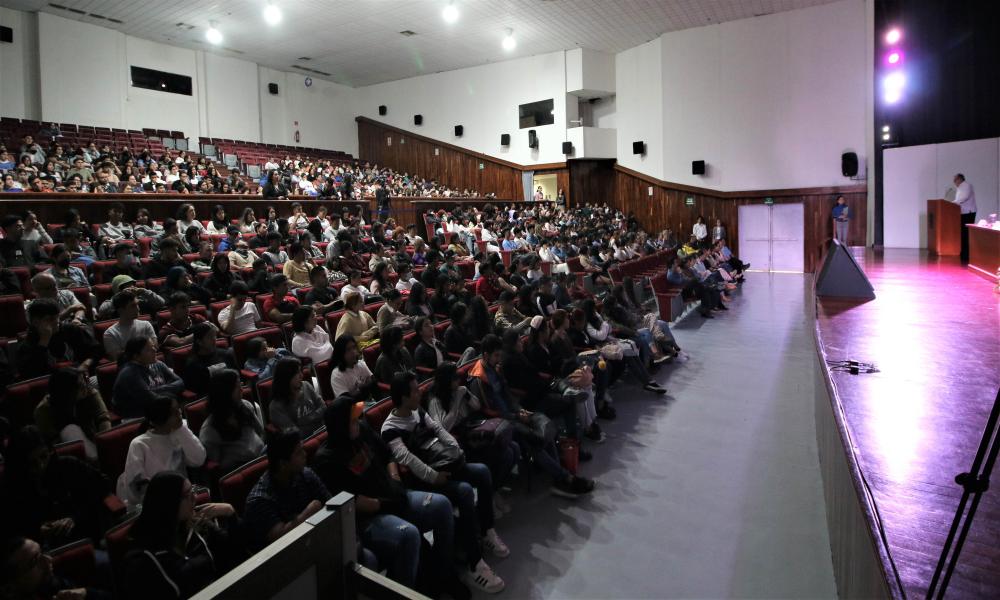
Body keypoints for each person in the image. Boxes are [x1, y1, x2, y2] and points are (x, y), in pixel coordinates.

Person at [313, 397, 469, 597]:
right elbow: (353, 502)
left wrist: (395, 480)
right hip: (370, 516)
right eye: (352, 421)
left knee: (442, 506)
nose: (357, 422)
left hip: (392, 494)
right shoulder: (326, 459)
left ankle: (443, 574)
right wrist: (386, 503)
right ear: (340, 426)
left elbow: (388, 455)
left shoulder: (362, 429)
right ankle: (407, 593)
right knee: (409, 534)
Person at [381, 371, 507, 594]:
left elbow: (438, 429)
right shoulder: (389, 428)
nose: (420, 393)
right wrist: (433, 477)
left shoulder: (417, 410)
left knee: (482, 472)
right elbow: (408, 459)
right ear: (402, 397)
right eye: (414, 391)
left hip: (444, 462)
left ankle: (486, 530)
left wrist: (456, 449)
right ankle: (474, 563)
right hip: (422, 480)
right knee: (465, 491)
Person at [468, 334, 596, 499]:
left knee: (546, 429)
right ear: (486, 355)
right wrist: (516, 415)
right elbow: (489, 410)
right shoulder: (478, 379)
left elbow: (507, 395)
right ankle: (565, 478)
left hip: (514, 414)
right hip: (500, 423)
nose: (499, 359)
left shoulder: (495, 369)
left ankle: (559, 474)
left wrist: (520, 410)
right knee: (533, 441)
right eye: (496, 355)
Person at [123, 472, 242, 600]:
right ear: (169, 503)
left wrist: (230, 513)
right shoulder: (142, 559)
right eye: (188, 495)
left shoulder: (196, 524)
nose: (195, 498)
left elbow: (236, 552)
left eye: (193, 491)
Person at [0, 425, 113, 547]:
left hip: (82, 539)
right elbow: (9, 527)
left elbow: (102, 485)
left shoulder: (67, 465)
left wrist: (73, 519)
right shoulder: (11, 485)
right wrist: (37, 530)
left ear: (50, 451)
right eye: (32, 463)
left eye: (44, 457)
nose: (41, 466)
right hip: (37, 551)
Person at [428, 361, 520, 497]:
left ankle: (496, 486)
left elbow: (477, 406)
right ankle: (492, 491)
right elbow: (443, 428)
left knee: (514, 447)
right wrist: (457, 402)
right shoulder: (436, 400)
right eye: (455, 378)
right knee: (506, 453)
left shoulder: (458, 391)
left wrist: (467, 394)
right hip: (461, 441)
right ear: (446, 381)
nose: (458, 381)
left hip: (474, 428)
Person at [244, 430, 330, 549]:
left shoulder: (305, 474)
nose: (305, 454)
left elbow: (332, 504)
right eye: (299, 453)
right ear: (283, 464)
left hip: (316, 542)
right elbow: (280, 542)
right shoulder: (259, 499)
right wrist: (309, 512)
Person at [117, 395, 207, 507]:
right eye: (174, 412)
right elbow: (137, 488)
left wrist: (181, 429)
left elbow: (199, 459)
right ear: (161, 418)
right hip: (156, 502)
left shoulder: (181, 430)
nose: (179, 413)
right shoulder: (139, 444)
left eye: (178, 409)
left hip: (182, 495)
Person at [0, 535, 112, 600]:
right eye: (34, 562)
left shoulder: (51, 584)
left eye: (42, 552)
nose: (48, 560)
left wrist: (86, 594)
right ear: (9, 590)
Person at [34, 367, 111, 460]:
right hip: (66, 454)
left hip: (92, 442)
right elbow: (53, 443)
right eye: (80, 385)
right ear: (67, 391)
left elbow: (103, 418)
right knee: (70, 430)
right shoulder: (43, 410)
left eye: (84, 381)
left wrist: (105, 445)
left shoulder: (88, 392)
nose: (85, 386)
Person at [200, 369, 266, 474]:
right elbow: (216, 465)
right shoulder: (210, 429)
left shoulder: (246, 406)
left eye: (240, 384)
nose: (241, 389)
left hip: (261, 457)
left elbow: (261, 432)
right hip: (241, 470)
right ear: (224, 392)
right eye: (236, 387)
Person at [112, 337, 185, 419]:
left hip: (160, 410)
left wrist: (156, 390)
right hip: (138, 417)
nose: (155, 350)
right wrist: (168, 392)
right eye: (148, 349)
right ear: (136, 356)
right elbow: (150, 398)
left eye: (153, 346)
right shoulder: (129, 373)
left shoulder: (158, 364)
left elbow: (180, 382)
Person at [268, 357, 325, 438]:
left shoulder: (306, 385)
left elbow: (323, 407)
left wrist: (306, 420)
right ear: (286, 377)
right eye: (296, 373)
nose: (301, 375)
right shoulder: (276, 406)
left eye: (300, 371)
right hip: (305, 442)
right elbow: (295, 434)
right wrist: (316, 419)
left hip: (322, 431)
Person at [182, 322, 239, 396]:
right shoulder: (193, 364)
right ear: (199, 342)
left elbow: (237, 375)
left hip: (233, 393)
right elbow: (198, 391)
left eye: (214, 335)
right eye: (209, 336)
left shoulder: (225, 354)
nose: (214, 339)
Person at [103, 289, 157, 362]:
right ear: (121, 310)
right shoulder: (110, 334)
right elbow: (119, 359)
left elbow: (154, 348)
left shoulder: (146, 325)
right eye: (133, 306)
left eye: (137, 304)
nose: (138, 308)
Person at [329, 334, 375, 402]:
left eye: (354, 347)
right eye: (348, 349)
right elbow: (346, 401)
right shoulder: (337, 375)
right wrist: (364, 388)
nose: (353, 352)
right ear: (341, 353)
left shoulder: (360, 364)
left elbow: (373, 383)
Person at [953, 173, 977, 262]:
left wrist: (953, 203)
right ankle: (964, 252)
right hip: (963, 213)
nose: (954, 182)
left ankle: (967, 254)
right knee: (963, 233)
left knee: (966, 233)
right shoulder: (960, 187)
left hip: (968, 212)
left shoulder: (966, 186)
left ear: (959, 179)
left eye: (955, 180)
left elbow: (964, 197)